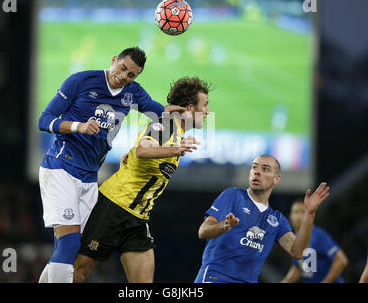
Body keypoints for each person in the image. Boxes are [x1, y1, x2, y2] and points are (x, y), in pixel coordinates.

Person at [37, 47, 185, 283]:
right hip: (61, 167)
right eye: (123, 68)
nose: (124, 76)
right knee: (69, 244)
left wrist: (183, 111)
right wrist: (79, 126)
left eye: (131, 75)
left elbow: (159, 112)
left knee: (68, 250)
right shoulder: (81, 81)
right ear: (114, 60)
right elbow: (44, 120)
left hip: (89, 177)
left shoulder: (132, 92)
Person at [72, 76, 211, 283]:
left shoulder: (176, 134)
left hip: (137, 217)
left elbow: (128, 156)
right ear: (190, 108)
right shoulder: (167, 125)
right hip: (114, 207)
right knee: (79, 271)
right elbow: (142, 150)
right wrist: (177, 149)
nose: (208, 111)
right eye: (205, 105)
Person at [194, 154, 330, 283]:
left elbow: (298, 252)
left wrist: (310, 215)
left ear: (276, 179)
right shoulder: (233, 195)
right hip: (216, 278)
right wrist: (223, 226)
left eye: (265, 169)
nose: (257, 172)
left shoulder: (277, 220)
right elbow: (203, 231)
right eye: (254, 167)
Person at [281, 199, 348, 283]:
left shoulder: (318, 235)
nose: (298, 216)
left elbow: (341, 260)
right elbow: (298, 266)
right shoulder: (293, 239)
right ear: (290, 216)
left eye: (302, 212)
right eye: (295, 212)